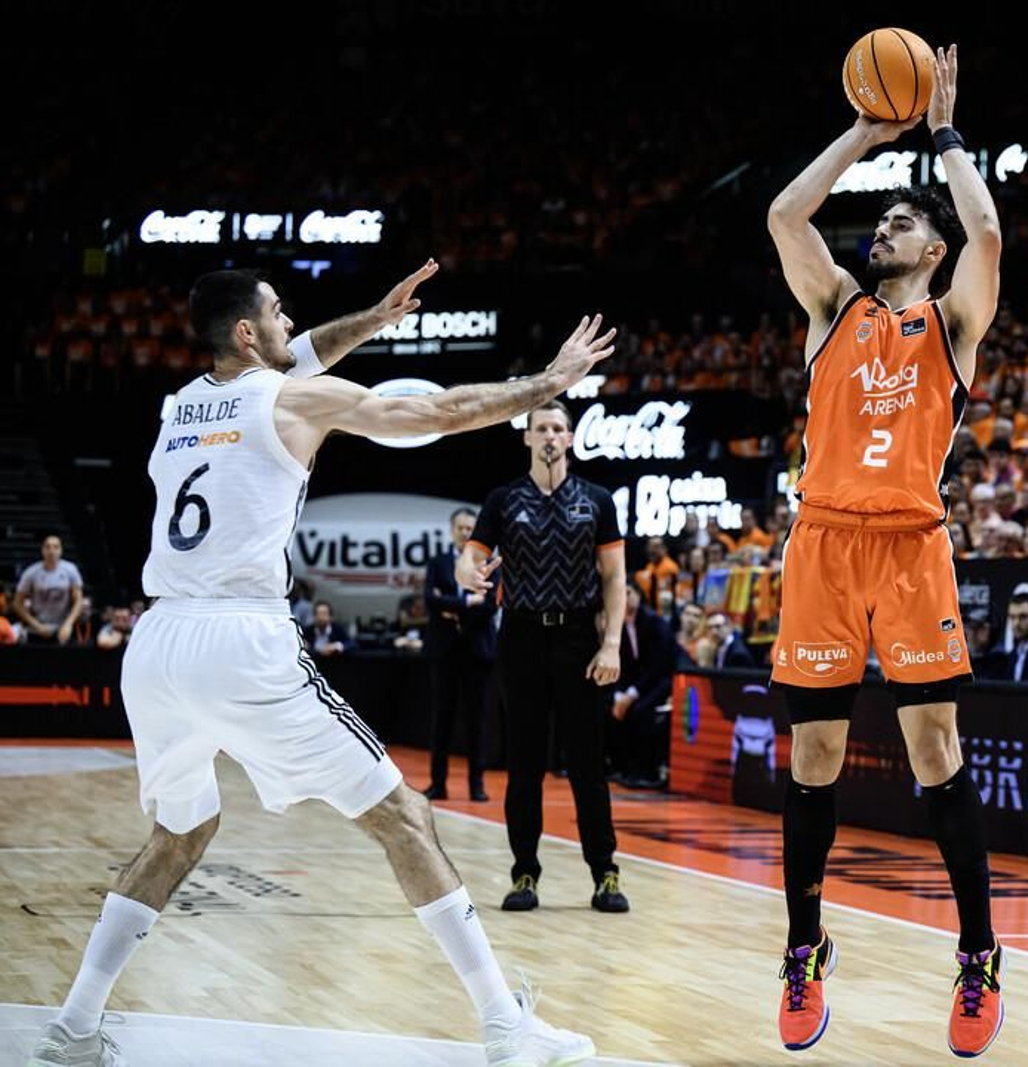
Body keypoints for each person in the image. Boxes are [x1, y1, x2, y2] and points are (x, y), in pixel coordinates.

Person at [30, 263, 611, 1067]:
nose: (289, 322)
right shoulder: (289, 399)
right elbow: (436, 411)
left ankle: (74, 1025)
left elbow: (299, 352)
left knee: (179, 831)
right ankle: (504, 1023)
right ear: (246, 332)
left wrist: (373, 318)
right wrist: (546, 381)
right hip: (241, 639)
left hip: (158, 644)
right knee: (403, 815)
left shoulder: (179, 408)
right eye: (276, 311)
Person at [764, 44, 1003, 1056]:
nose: (884, 228)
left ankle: (980, 955)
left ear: (933, 252)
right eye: (883, 218)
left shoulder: (952, 324)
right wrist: (867, 128)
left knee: (934, 752)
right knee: (814, 759)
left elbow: (987, 223)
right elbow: (785, 215)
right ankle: (804, 947)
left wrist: (941, 130)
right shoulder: (834, 310)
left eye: (902, 221)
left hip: (908, 548)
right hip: (821, 544)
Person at [456, 399, 630, 917]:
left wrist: (612, 643)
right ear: (528, 438)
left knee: (586, 767)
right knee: (525, 765)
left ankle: (605, 873)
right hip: (523, 638)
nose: (550, 435)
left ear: (571, 438)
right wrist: (469, 570)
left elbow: (615, 577)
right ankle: (524, 872)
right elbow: (474, 554)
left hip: (579, 638)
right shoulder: (504, 499)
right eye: (541, 428)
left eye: (558, 428)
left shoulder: (596, 500)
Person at [423, 506, 498, 803]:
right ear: (452, 529)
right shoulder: (438, 562)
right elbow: (430, 600)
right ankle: (437, 783)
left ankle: (476, 785)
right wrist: (469, 602)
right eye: (461, 528)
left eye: (471, 528)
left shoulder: (489, 563)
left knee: (476, 720)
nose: (466, 533)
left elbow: (491, 604)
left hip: (477, 651)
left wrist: (451, 606)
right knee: (441, 718)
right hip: (444, 650)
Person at [609, 584, 675, 788]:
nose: (625, 597)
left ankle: (645, 772)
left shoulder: (654, 622)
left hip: (662, 680)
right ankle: (623, 768)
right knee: (610, 710)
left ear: (640, 595)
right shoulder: (618, 624)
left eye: (629, 592)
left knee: (639, 711)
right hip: (636, 682)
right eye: (622, 593)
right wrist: (619, 694)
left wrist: (631, 694)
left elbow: (658, 665)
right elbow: (623, 663)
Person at [16, 534, 84, 644]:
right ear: (42, 550)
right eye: (47, 547)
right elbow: (17, 603)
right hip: (38, 628)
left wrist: (68, 624)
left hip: (63, 627)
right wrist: (36, 625)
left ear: (61, 550)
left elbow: (78, 600)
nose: (51, 551)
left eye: (55, 547)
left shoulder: (71, 570)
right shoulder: (31, 573)